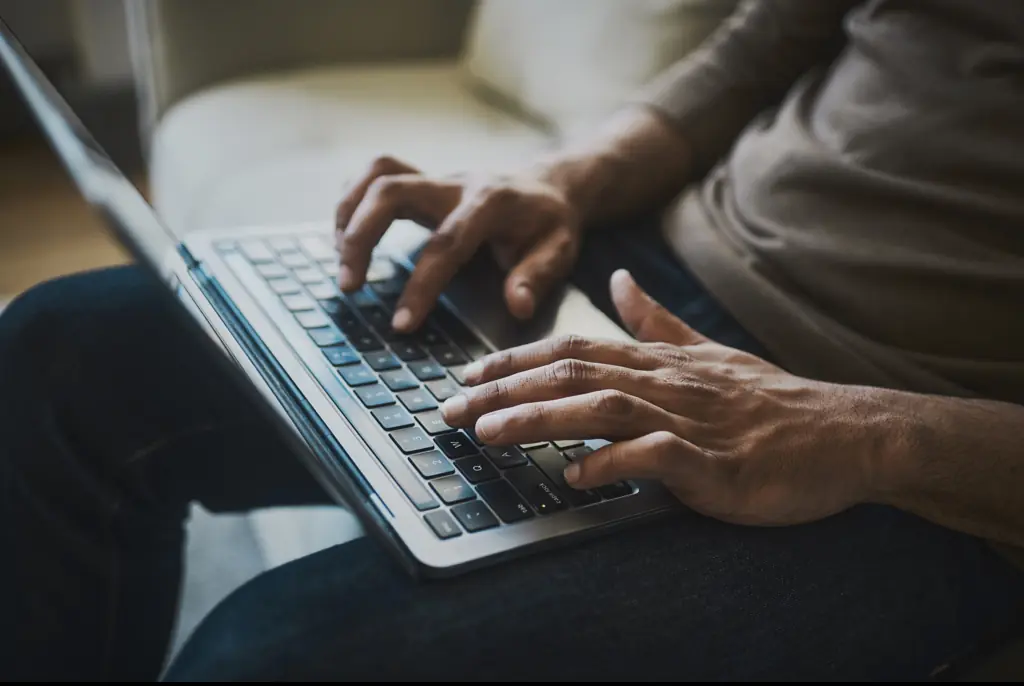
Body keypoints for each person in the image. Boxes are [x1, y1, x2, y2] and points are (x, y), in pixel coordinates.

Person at [3, 0, 1023, 680]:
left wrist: (868, 433)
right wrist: (571, 175)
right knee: (57, 353)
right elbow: (768, 38)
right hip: (642, 272)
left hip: (906, 459)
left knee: (268, 656)